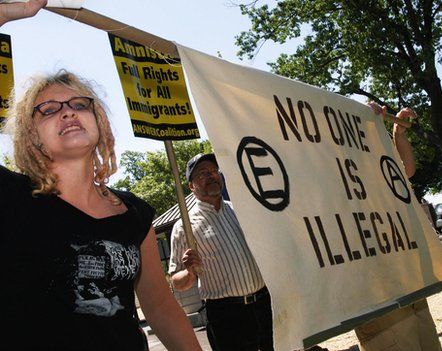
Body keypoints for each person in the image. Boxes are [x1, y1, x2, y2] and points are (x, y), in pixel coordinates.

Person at [0, 70, 202, 350]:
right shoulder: (11, 197)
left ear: (99, 122)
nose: (68, 112)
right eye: (48, 110)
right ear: (31, 135)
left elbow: (159, 305)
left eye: (80, 105)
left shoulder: (134, 213)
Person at [353, 103, 442, 351]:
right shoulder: (339, 173)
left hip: (407, 277)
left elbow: (407, 170)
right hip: (376, 289)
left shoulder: (380, 169)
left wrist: (397, 134)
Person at [168, 153, 273, 351]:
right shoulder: (185, 227)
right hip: (227, 317)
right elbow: (176, 282)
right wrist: (190, 272)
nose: (212, 176)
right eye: (203, 173)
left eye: (214, 171)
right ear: (191, 186)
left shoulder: (241, 211)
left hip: (264, 305)